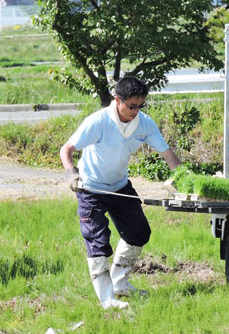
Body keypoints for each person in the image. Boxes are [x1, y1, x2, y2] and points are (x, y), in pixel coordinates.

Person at [59, 76, 181, 309]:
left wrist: (185, 181)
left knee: (139, 233)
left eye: (140, 105)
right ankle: (107, 299)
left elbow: (168, 155)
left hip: (119, 187)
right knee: (98, 242)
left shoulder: (145, 123)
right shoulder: (98, 121)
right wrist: (71, 174)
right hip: (90, 189)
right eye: (131, 106)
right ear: (118, 100)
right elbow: (67, 149)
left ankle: (120, 283)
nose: (136, 110)